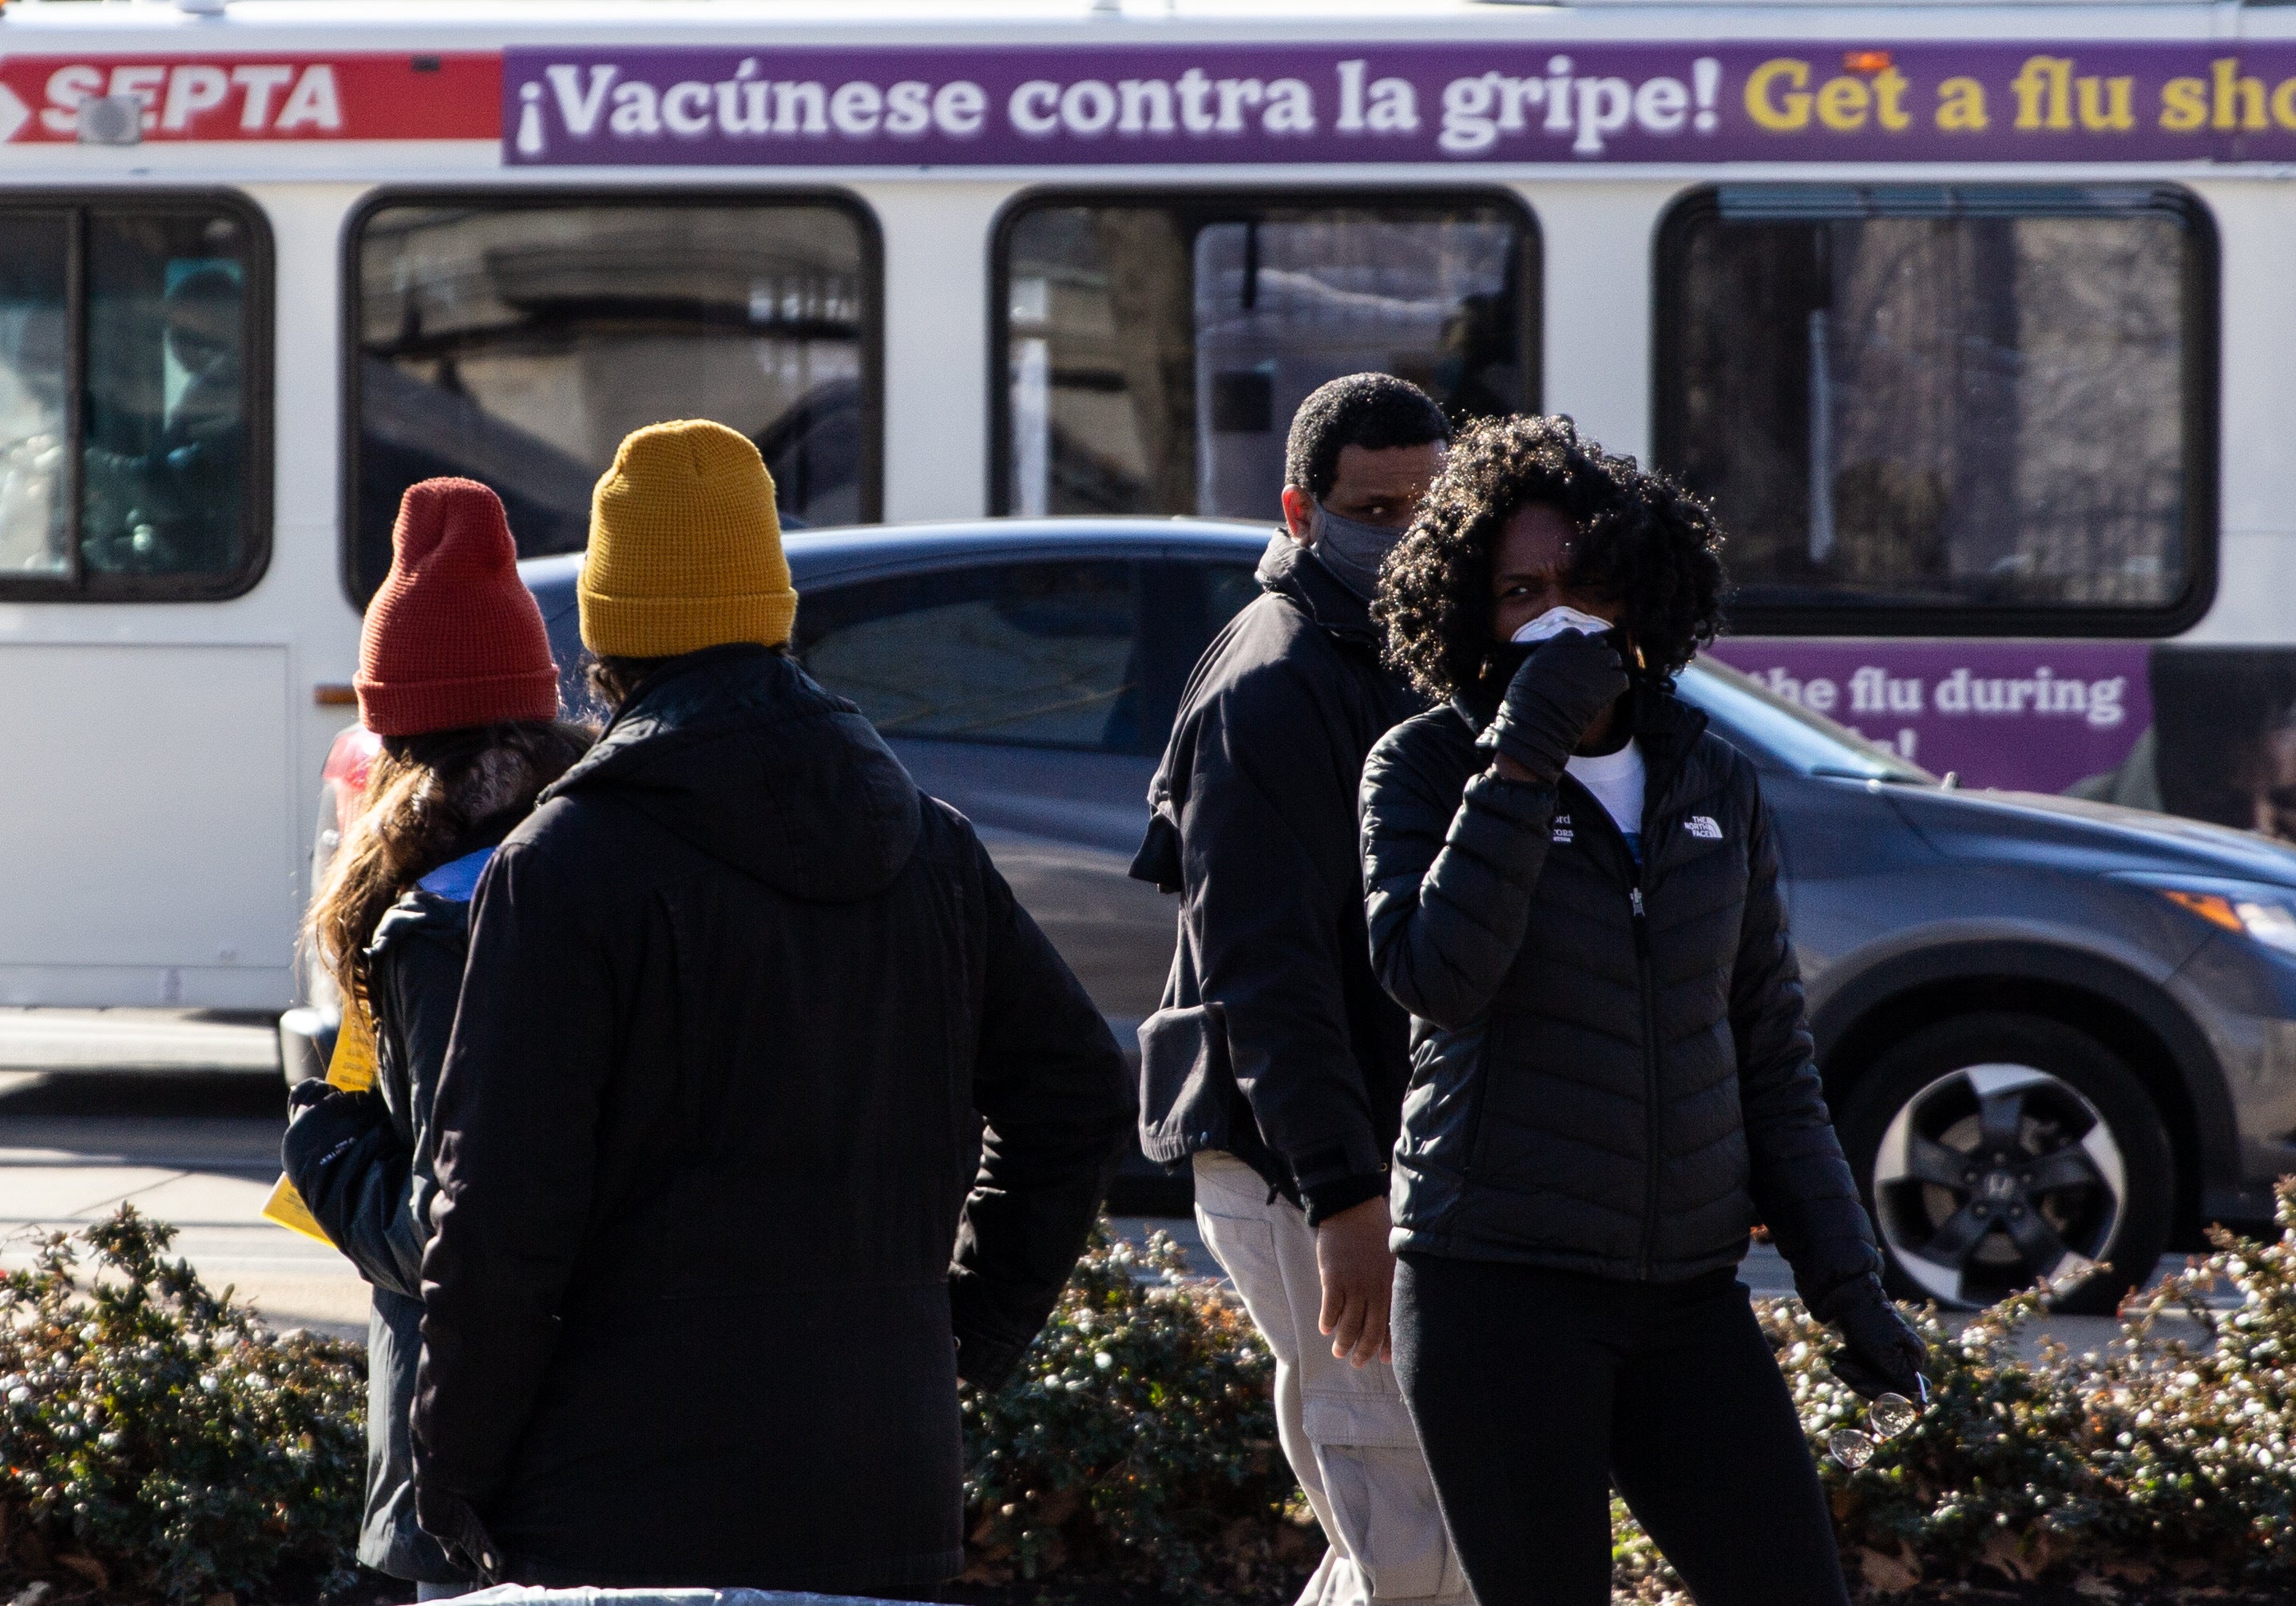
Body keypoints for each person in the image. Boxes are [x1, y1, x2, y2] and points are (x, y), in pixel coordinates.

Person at [410, 419, 1132, 1592]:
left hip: (619, 1500)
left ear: (609, 638)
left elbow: (498, 1214)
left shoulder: (566, 864)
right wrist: (965, 1334)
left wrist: (453, 1469)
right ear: (775, 609)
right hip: (885, 1486)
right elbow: (1079, 1094)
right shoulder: (930, 846)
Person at [1359, 415, 1927, 1606]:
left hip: (1684, 1296)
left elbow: (1769, 1053)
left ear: (1643, 603)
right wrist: (1523, 754)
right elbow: (1434, 975)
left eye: (1587, 588)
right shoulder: (1424, 767)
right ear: (1470, 610)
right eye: (1521, 591)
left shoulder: (1710, 778)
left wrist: (1849, 1286)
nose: (1559, 616)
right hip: (1495, 1289)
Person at [1131, 373, 1468, 1606]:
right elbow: (1263, 974)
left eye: (1435, 508)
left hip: (1349, 1150)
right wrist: (1344, 1196)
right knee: (1411, 1541)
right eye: (1378, 508)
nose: (1410, 536)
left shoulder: (1404, 654)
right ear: (1298, 509)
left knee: (1401, 1535)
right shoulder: (1274, 683)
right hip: (1307, 1161)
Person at [280, 477, 590, 1600]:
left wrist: (322, 1147)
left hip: (467, 1445)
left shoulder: (434, 921)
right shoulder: (594, 866)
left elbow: (450, 1236)